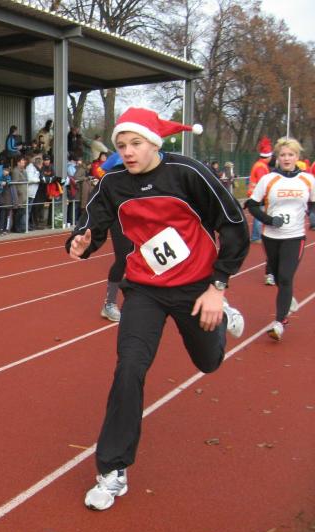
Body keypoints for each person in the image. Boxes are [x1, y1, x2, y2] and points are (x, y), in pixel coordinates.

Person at [66, 107, 248, 511]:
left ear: (154, 142)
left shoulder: (188, 173)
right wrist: (81, 241)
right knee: (129, 368)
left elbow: (234, 225)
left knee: (208, 362)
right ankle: (113, 470)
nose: (128, 152)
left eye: (136, 143)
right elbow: (93, 223)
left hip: (196, 288)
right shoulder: (113, 183)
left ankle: (223, 314)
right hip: (144, 290)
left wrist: (218, 286)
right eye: (121, 145)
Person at [245, 137, 312, 341]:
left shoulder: (308, 180)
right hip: (271, 236)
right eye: (283, 155)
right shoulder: (269, 179)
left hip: (295, 236)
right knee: (275, 275)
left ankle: (280, 322)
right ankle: (287, 297)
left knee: (285, 277)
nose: (286, 158)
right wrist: (269, 220)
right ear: (277, 157)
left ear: (297, 157)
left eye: (290, 155)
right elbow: (252, 205)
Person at [248, 137, 273, 249]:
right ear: (268, 156)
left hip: (256, 194)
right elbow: (263, 182)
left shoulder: (260, 165)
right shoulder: (261, 167)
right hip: (258, 195)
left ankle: (256, 236)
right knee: (259, 216)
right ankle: (255, 237)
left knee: (259, 216)